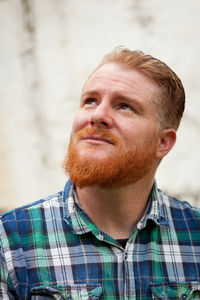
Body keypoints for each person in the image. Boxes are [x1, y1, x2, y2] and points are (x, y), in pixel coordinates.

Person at [0, 47, 200, 300]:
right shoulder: (9, 244)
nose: (97, 115)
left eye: (124, 106)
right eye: (90, 101)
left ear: (163, 143)